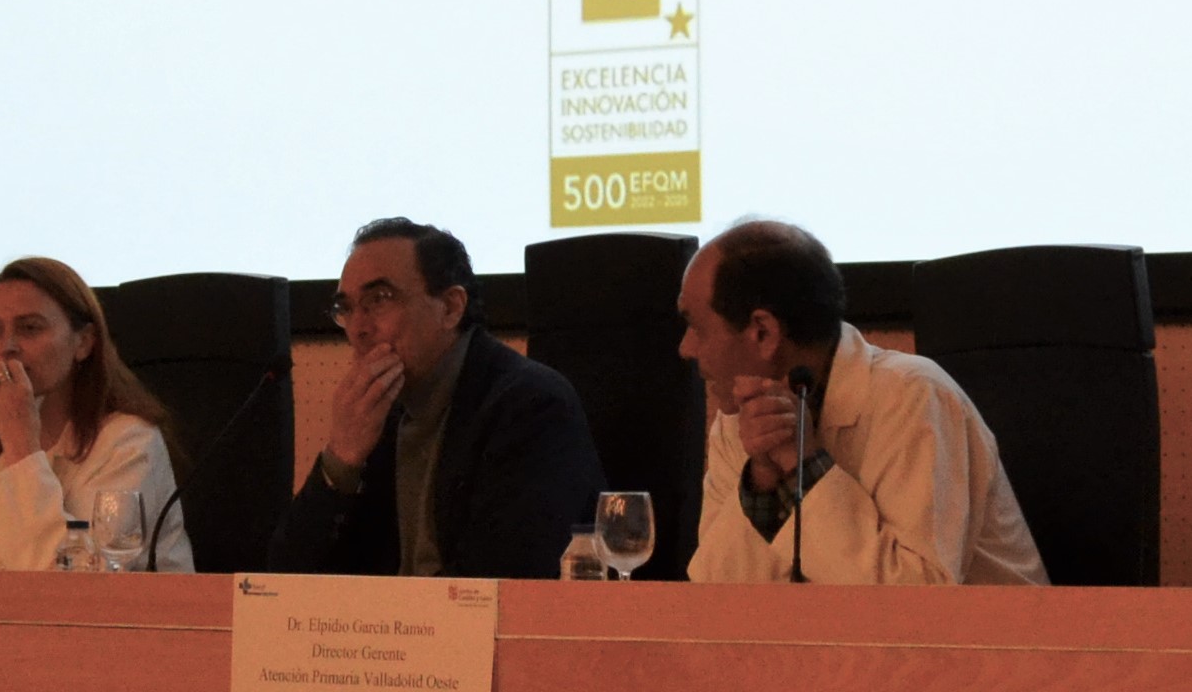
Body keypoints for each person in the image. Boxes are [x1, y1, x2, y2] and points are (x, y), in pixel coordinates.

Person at [677, 218, 1045, 587]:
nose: (686, 348)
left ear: (763, 332)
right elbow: (713, 597)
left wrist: (804, 465)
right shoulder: (739, 419)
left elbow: (918, 597)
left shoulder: (913, 395)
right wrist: (761, 481)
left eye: (697, 328)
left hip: (997, 625)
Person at [268, 218, 604, 579]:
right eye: (346, 308)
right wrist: (341, 460)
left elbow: (504, 577)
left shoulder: (529, 405)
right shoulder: (381, 415)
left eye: (378, 300)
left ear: (450, 307)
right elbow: (287, 576)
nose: (358, 328)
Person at [0, 258, 196, 570]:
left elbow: (76, 581)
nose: (7, 346)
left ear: (83, 342)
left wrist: (21, 445)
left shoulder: (129, 441)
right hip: (0, 604)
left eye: (30, 328)